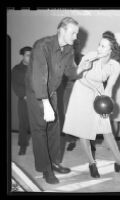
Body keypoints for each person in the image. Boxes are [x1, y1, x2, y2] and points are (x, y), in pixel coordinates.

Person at [25, 17, 93, 184]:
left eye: (77, 33)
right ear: (61, 30)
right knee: (40, 131)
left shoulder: (68, 49)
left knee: (54, 130)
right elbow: (40, 76)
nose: (76, 37)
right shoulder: (42, 46)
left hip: (53, 91)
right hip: (36, 93)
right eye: (73, 32)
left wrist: (81, 69)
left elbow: (70, 72)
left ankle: (54, 162)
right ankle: (45, 169)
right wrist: (46, 103)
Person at [63, 31, 120, 178]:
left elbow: (109, 89)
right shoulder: (91, 56)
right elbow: (77, 75)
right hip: (82, 92)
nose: (99, 48)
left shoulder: (115, 66)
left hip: (99, 94)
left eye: (103, 47)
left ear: (111, 50)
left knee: (107, 130)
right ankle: (91, 163)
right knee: (84, 131)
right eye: (99, 44)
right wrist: (84, 65)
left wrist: (107, 106)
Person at [63, 39, 96, 158]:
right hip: (67, 90)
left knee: (85, 116)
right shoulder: (63, 59)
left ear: (78, 46)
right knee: (68, 115)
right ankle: (72, 140)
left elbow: (90, 75)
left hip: (82, 89)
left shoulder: (84, 58)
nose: (72, 48)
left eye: (74, 46)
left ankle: (90, 141)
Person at [12, 46, 32, 155]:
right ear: (23, 56)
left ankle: (41, 146)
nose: (30, 57)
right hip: (23, 101)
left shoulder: (37, 68)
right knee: (23, 124)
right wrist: (25, 96)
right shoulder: (16, 69)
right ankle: (22, 145)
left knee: (39, 125)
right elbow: (15, 85)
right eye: (28, 55)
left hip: (37, 100)